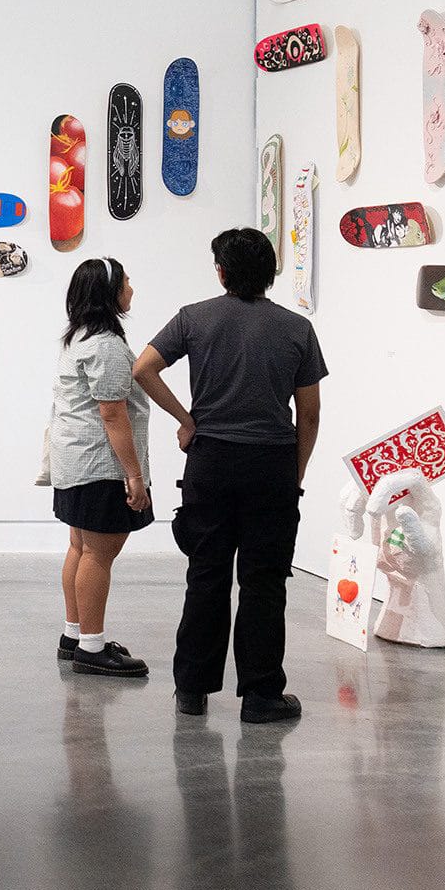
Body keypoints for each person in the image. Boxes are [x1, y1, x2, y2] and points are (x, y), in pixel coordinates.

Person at [134, 228, 326, 724]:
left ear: (221, 271)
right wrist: (294, 473)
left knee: (206, 576)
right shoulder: (297, 328)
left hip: (211, 462)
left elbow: (143, 369)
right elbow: (310, 415)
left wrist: (186, 419)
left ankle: (192, 691)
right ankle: (261, 696)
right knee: (264, 583)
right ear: (271, 273)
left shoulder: (194, 318)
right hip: (272, 464)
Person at [48, 257, 154, 678]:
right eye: (126, 282)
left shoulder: (78, 338)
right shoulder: (106, 345)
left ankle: (75, 636)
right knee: (99, 552)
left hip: (75, 460)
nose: (132, 288)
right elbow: (113, 414)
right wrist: (135, 475)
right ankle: (92, 648)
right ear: (109, 294)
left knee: (80, 546)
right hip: (99, 465)